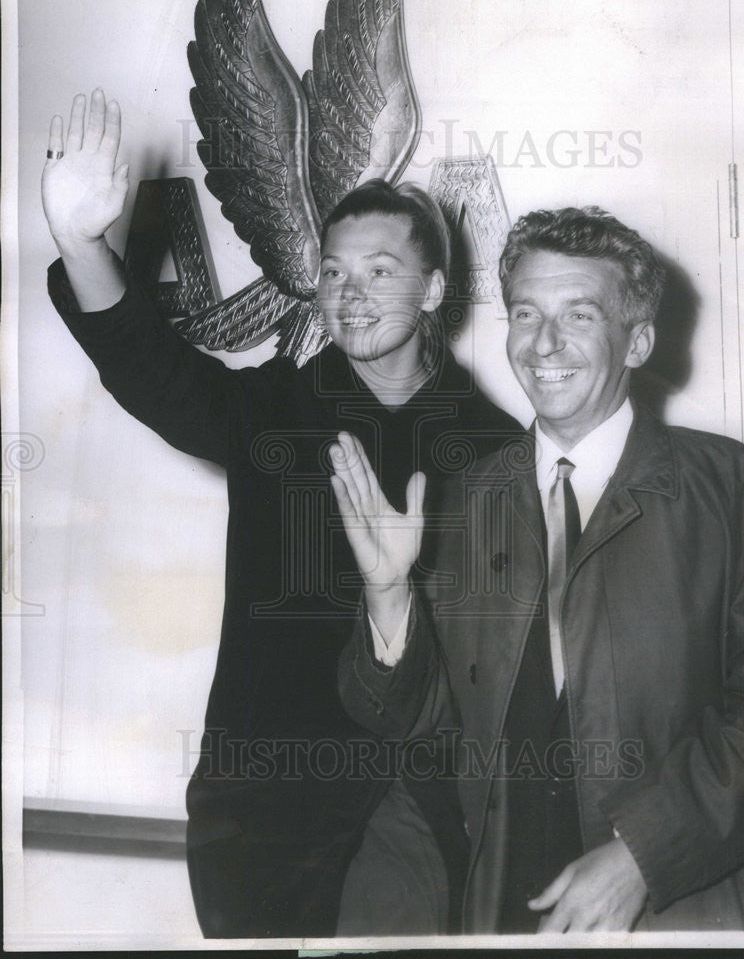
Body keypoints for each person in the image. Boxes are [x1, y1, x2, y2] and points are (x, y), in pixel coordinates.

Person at [41, 88, 522, 936]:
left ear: (435, 287)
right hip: (263, 814)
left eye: (380, 271)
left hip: (421, 819)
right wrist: (83, 246)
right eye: (333, 272)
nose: (350, 293)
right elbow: (155, 372)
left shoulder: (492, 450)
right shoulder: (276, 412)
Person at [331, 205, 744, 932]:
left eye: (578, 316)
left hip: (675, 903)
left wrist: (643, 854)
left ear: (636, 341)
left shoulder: (738, 490)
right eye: (525, 314)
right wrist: (387, 599)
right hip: (496, 900)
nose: (543, 344)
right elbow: (416, 729)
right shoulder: (456, 499)